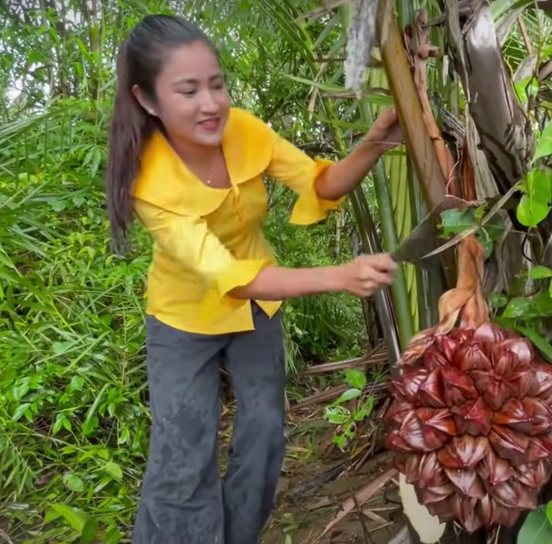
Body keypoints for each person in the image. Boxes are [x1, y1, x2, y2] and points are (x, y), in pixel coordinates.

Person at [105, 13, 402, 544]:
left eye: (216, 84)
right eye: (188, 90)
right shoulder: (151, 181)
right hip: (184, 319)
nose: (210, 103)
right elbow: (231, 278)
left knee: (265, 431)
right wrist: (338, 275)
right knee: (184, 445)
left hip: (255, 312)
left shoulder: (244, 129)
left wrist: (374, 144)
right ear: (148, 100)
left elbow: (320, 181)